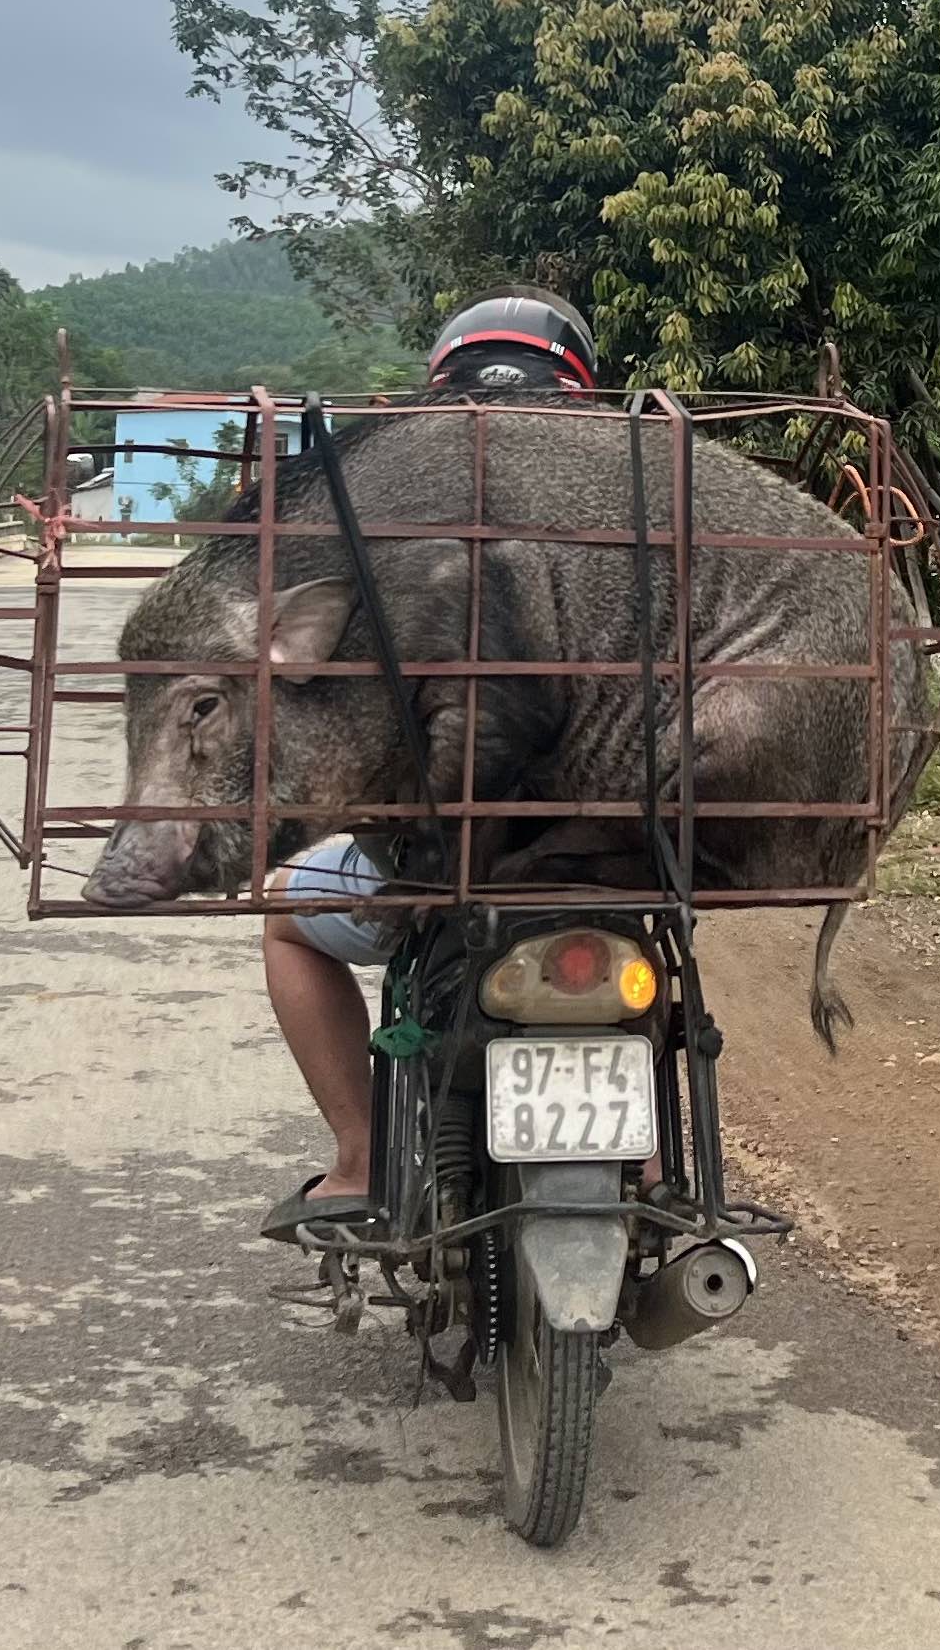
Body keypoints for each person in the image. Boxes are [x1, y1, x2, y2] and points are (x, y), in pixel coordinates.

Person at [257, 286, 600, 1242]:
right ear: (579, 393)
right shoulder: (644, 498)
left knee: (287, 917)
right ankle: (652, 1158)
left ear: (440, 388)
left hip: (437, 862)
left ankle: (360, 1161)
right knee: (665, 953)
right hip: (613, 858)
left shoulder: (387, 505)